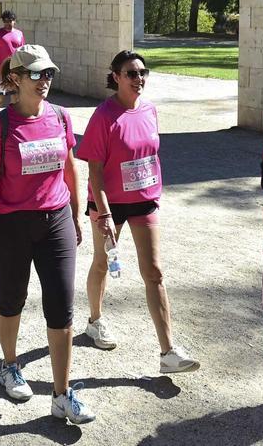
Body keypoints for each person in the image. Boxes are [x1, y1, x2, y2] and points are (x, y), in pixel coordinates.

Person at [0, 44, 94, 424]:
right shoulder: (0, 127)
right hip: (9, 225)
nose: (45, 81)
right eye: (37, 74)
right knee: (12, 300)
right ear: (16, 79)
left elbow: (70, 169)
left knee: (61, 307)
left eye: (49, 74)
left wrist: (75, 215)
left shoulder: (60, 117)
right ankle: (9, 365)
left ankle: (61, 394)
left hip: (54, 220)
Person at [79, 50, 199, 374]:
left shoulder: (149, 110)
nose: (139, 79)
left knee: (155, 272)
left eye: (142, 72)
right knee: (103, 263)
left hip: (143, 199)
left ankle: (168, 352)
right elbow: (95, 170)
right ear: (115, 77)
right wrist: (103, 213)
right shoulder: (104, 116)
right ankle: (95, 320)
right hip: (109, 204)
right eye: (131, 73)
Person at [0, 11, 26, 114]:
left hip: (15, 70)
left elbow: (22, 52)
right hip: (2, 71)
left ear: (15, 21)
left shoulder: (19, 34)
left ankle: (13, 117)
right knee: (0, 97)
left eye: (10, 21)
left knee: (15, 96)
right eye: (5, 21)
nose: (8, 23)